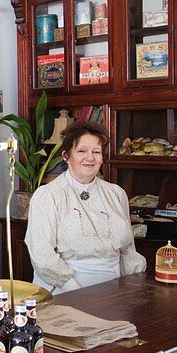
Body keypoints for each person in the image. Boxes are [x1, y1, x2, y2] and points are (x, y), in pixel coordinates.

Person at [26, 122, 146, 292]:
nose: (90, 158)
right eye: (82, 151)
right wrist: (76, 291)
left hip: (114, 292)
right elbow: (42, 255)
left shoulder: (116, 194)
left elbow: (128, 251)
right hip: (64, 291)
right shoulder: (48, 195)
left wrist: (133, 287)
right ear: (66, 156)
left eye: (96, 152)